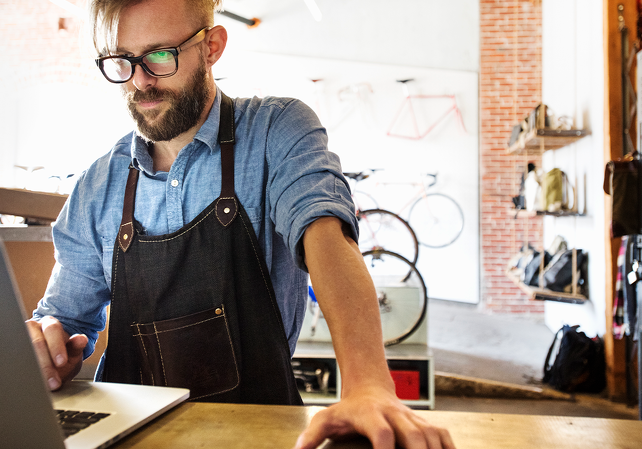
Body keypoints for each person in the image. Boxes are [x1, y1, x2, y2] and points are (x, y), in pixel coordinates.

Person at [27, 0, 454, 447]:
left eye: (159, 56)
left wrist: (368, 383)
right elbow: (63, 317)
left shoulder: (277, 130)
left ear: (211, 47)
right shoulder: (98, 185)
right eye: (122, 61)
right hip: (128, 435)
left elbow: (326, 236)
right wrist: (46, 348)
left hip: (262, 431)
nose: (140, 80)